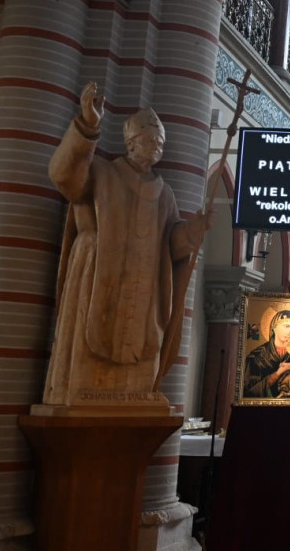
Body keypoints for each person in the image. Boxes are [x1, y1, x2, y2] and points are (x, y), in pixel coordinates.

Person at [42, 82, 210, 405]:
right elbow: (64, 177)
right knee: (91, 329)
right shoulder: (103, 174)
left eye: (160, 143)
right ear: (132, 143)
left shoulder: (165, 193)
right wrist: (87, 127)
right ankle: (77, 388)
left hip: (145, 290)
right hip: (99, 277)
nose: (156, 147)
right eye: (150, 141)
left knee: (142, 340)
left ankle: (138, 390)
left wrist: (193, 231)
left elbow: (172, 243)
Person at [243, 309, 290, 399]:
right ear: (274, 327)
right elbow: (248, 391)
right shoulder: (257, 356)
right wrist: (278, 373)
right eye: (287, 326)